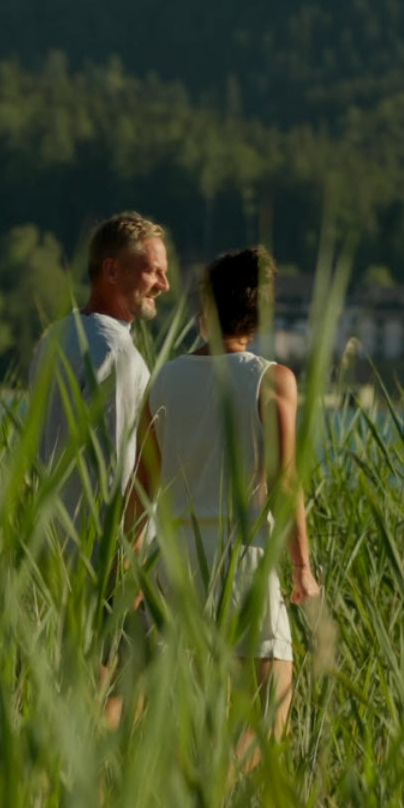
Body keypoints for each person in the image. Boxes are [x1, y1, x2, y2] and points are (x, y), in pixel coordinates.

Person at [136, 246, 322, 742]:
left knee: (185, 720)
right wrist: (302, 567)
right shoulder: (271, 380)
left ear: (204, 312)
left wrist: (129, 568)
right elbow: (285, 482)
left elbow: (142, 486)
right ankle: (230, 807)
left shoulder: (164, 380)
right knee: (266, 714)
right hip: (242, 560)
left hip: (170, 564)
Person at [29, 211, 171, 550]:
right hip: (100, 551)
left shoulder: (56, 337)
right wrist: (127, 558)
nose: (164, 285)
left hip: (52, 545)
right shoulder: (115, 353)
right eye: (153, 271)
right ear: (111, 270)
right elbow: (117, 469)